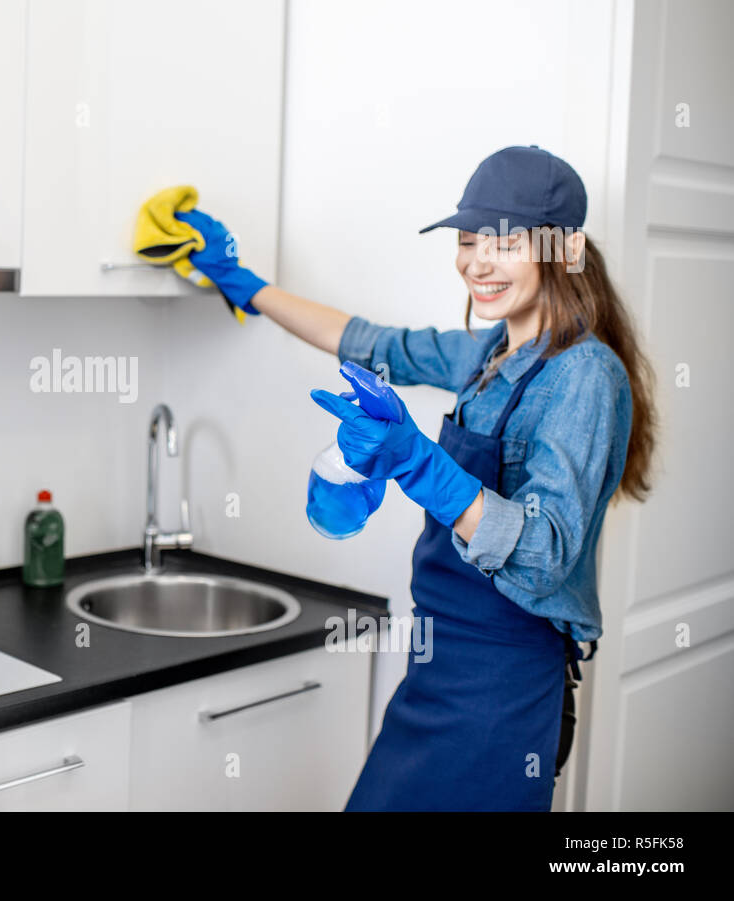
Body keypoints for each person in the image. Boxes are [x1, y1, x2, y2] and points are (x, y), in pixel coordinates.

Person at [176, 145, 657, 810]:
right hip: (439, 668)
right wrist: (245, 285)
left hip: (503, 689)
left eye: (504, 241)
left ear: (565, 251)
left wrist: (417, 462)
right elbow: (370, 341)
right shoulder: (489, 350)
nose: (476, 262)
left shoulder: (583, 375)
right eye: (467, 240)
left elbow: (545, 554)